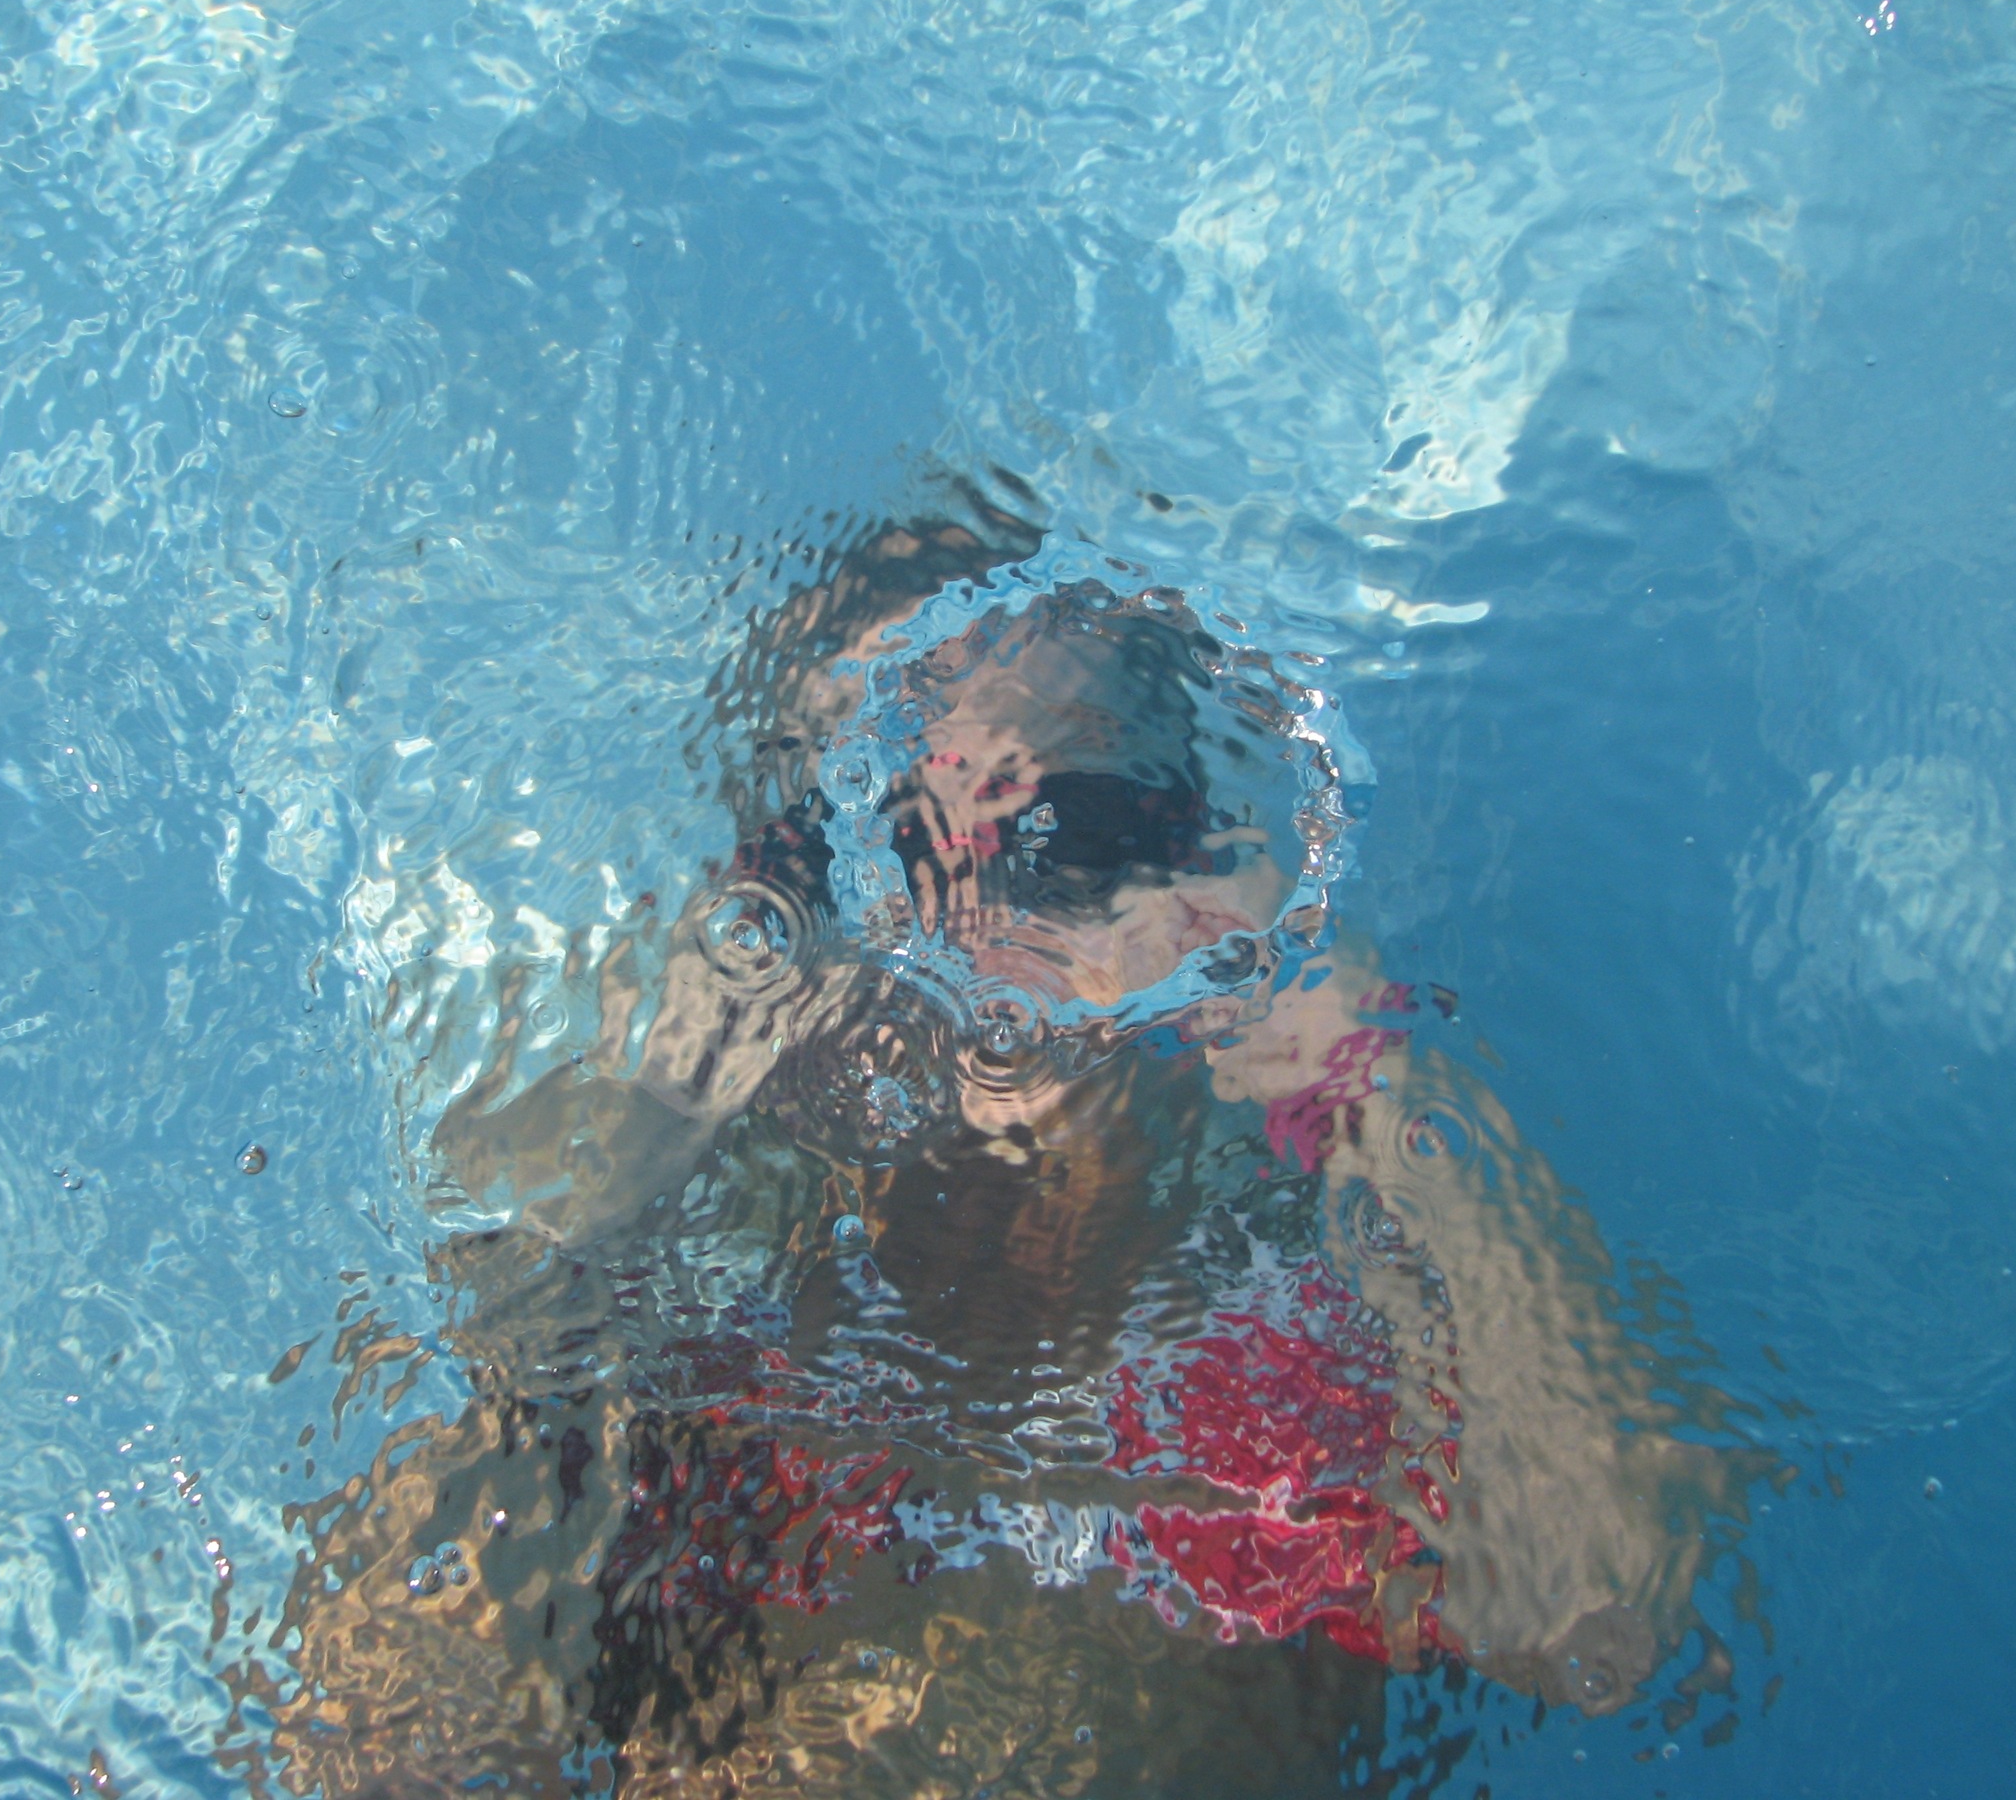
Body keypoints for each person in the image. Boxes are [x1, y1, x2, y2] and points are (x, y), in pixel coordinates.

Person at [245, 502, 1756, 1799]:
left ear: (1201, 893)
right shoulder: (714, 1357)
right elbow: (361, 1709)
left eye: (1066, 841)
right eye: (867, 842)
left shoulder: (1283, 1383)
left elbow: (1598, 1611)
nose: (954, 934)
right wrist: (653, 1117)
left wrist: (1346, 1062)